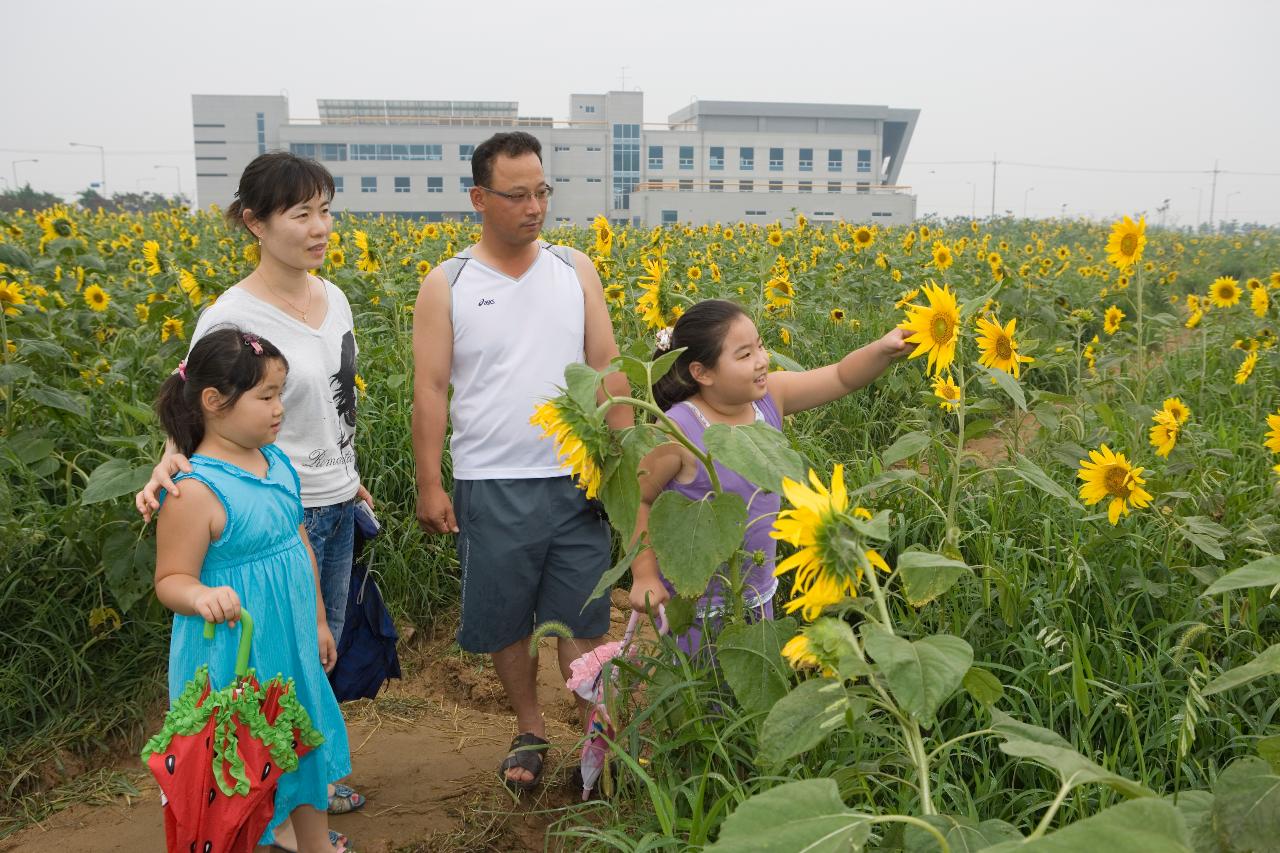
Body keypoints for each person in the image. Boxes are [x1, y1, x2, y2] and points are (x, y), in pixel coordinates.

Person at [135, 151, 368, 833]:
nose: (320, 226)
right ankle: (256, 800)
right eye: (302, 213)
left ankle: (304, 784)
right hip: (257, 509)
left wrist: (351, 481)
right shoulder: (231, 314)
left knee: (309, 653)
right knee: (264, 663)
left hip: (325, 497)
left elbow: (336, 401)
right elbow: (198, 396)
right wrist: (170, 464)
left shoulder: (335, 296)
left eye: (325, 209)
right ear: (254, 223)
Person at [412, 131, 630, 792]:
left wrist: (623, 455)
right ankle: (530, 725)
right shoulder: (448, 283)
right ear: (480, 198)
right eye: (516, 195)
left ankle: (599, 737)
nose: (533, 206)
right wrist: (430, 481)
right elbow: (430, 387)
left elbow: (608, 364)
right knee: (508, 623)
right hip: (491, 480)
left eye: (541, 191)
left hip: (577, 478)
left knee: (583, 622)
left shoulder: (574, 268)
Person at [153, 328, 353, 853]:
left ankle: (312, 844)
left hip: (287, 646)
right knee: (235, 763)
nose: (279, 408)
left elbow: (299, 544)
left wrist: (316, 621)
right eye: (265, 396)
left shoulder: (277, 464)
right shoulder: (193, 491)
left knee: (299, 745)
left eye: (280, 393)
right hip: (230, 658)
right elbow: (171, 579)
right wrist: (198, 596)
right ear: (214, 402)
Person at [625, 299, 911, 654]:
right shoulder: (676, 430)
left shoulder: (769, 399)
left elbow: (840, 377)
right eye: (744, 355)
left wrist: (882, 350)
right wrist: (644, 574)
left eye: (760, 346)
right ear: (702, 372)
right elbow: (638, 498)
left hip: (758, 589)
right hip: (694, 605)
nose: (762, 360)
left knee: (755, 675)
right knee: (702, 692)